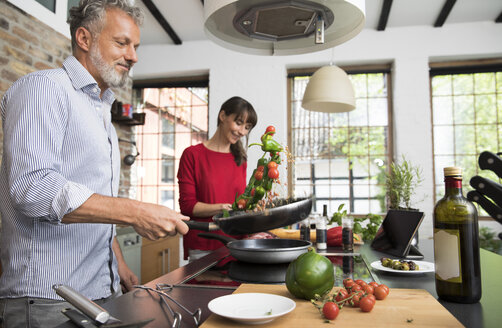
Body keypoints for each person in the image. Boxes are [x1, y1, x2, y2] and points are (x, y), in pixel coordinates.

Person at [0, 0, 189, 326]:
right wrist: (134, 210)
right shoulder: (43, 89)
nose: (134, 56)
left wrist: (119, 266)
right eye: (122, 43)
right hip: (48, 298)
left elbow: (94, 203)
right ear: (84, 39)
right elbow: (33, 188)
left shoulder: (101, 112)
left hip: (101, 290)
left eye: (135, 46)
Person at [177, 97, 258, 262]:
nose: (242, 131)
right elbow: (187, 206)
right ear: (223, 116)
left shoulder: (240, 159)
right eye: (239, 122)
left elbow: (241, 200)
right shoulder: (192, 155)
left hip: (238, 245)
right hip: (204, 245)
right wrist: (222, 207)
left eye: (247, 127)